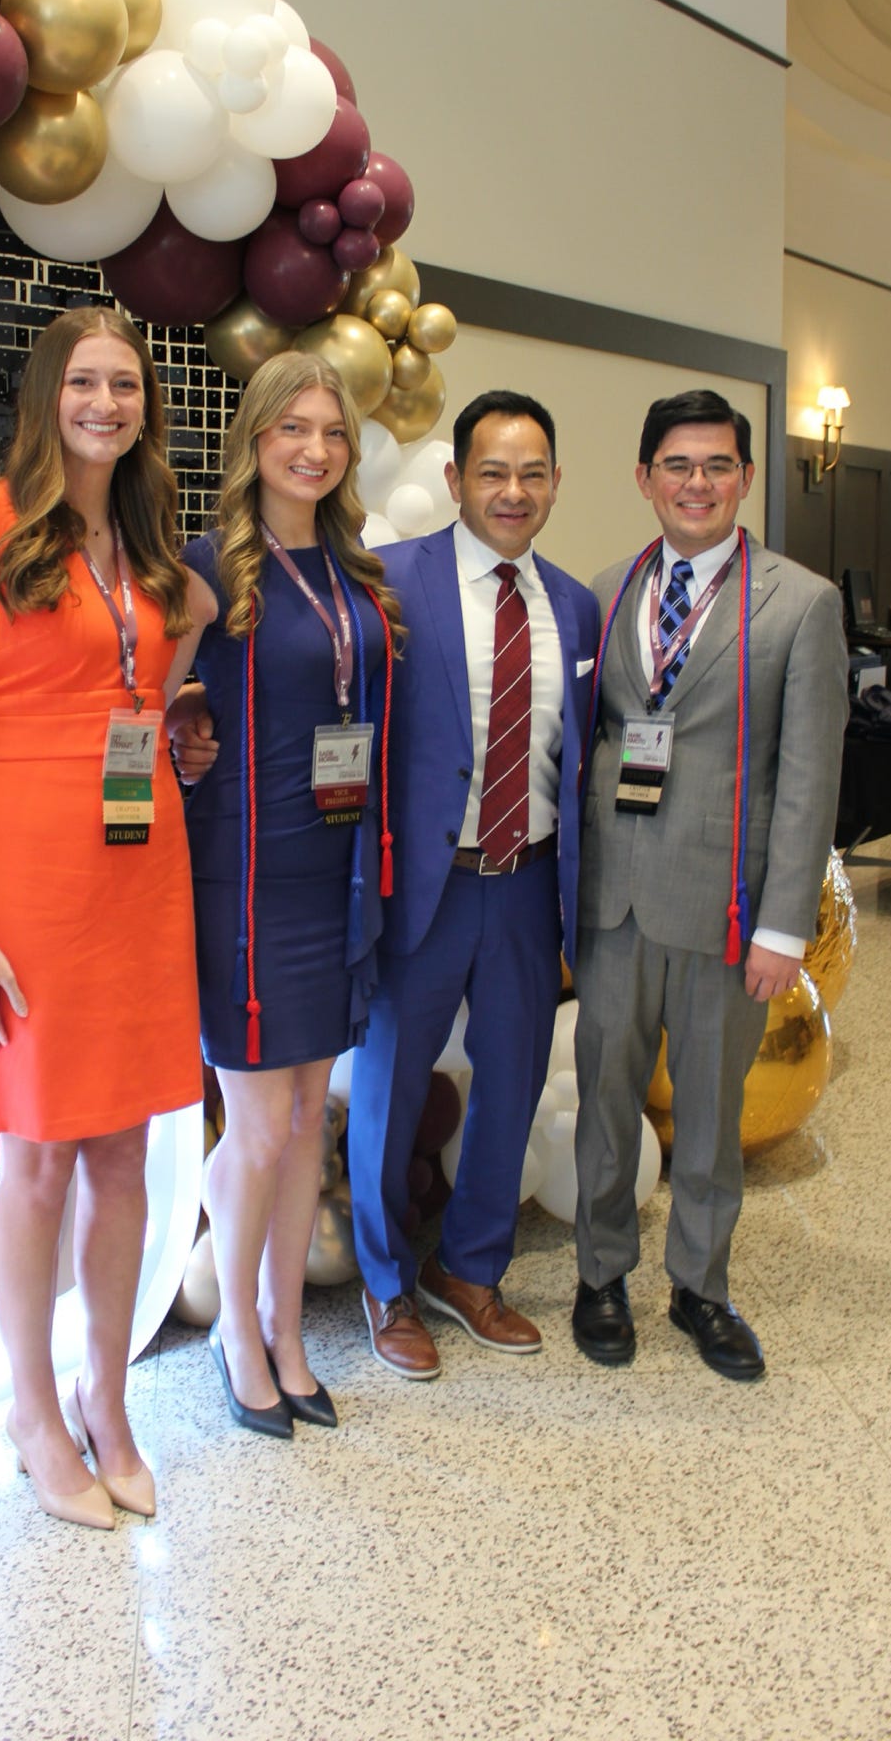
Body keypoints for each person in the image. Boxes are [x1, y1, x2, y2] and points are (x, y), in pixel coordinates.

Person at [0, 305, 212, 1529]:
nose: (106, 402)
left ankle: (108, 1395)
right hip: (28, 868)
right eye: (86, 382)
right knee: (33, 1153)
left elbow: (173, 644)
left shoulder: (148, 542)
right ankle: (33, 1409)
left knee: (125, 1149)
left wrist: (171, 717)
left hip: (140, 867)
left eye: (126, 385)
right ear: (49, 396)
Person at [571, 388, 848, 1382]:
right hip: (612, 903)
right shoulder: (604, 590)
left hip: (728, 913)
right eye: (677, 465)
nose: (697, 482)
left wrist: (785, 924)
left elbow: (808, 777)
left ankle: (700, 1283)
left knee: (708, 1109)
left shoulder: (800, 601)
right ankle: (600, 1272)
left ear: (744, 477)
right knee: (604, 1095)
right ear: (644, 477)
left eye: (717, 464)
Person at [348, 391, 600, 1377]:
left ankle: (472, 1268)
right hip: (424, 883)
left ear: (553, 484)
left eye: (532, 471)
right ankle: (383, 1281)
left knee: (513, 1081)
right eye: (492, 470)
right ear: (454, 480)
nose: (512, 489)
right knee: (389, 1083)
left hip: (526, 884)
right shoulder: (387, 581)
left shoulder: (572, 604)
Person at [176, 351, 401, 1436]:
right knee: (259, 1124)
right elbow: (142, 699)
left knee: (309, 1114)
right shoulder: (205, 566)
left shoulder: (359, 574)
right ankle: (234, 1333)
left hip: (334, 869)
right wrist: (173, 741)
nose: (312, 448)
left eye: (331, 431)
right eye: (291, 428)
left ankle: (287, 1328)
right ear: (254, 438)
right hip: (243, 873)